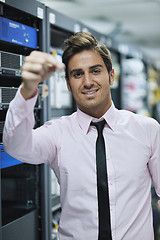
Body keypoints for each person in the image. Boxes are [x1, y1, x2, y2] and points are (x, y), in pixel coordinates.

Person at [3, 32, 160, 240]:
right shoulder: (57, 133)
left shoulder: (147, 129)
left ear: (111, 76)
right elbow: (15, 146)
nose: (87, 82)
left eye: (95, 71)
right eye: (77, 74)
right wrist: (27, 90)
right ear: (68, 84)